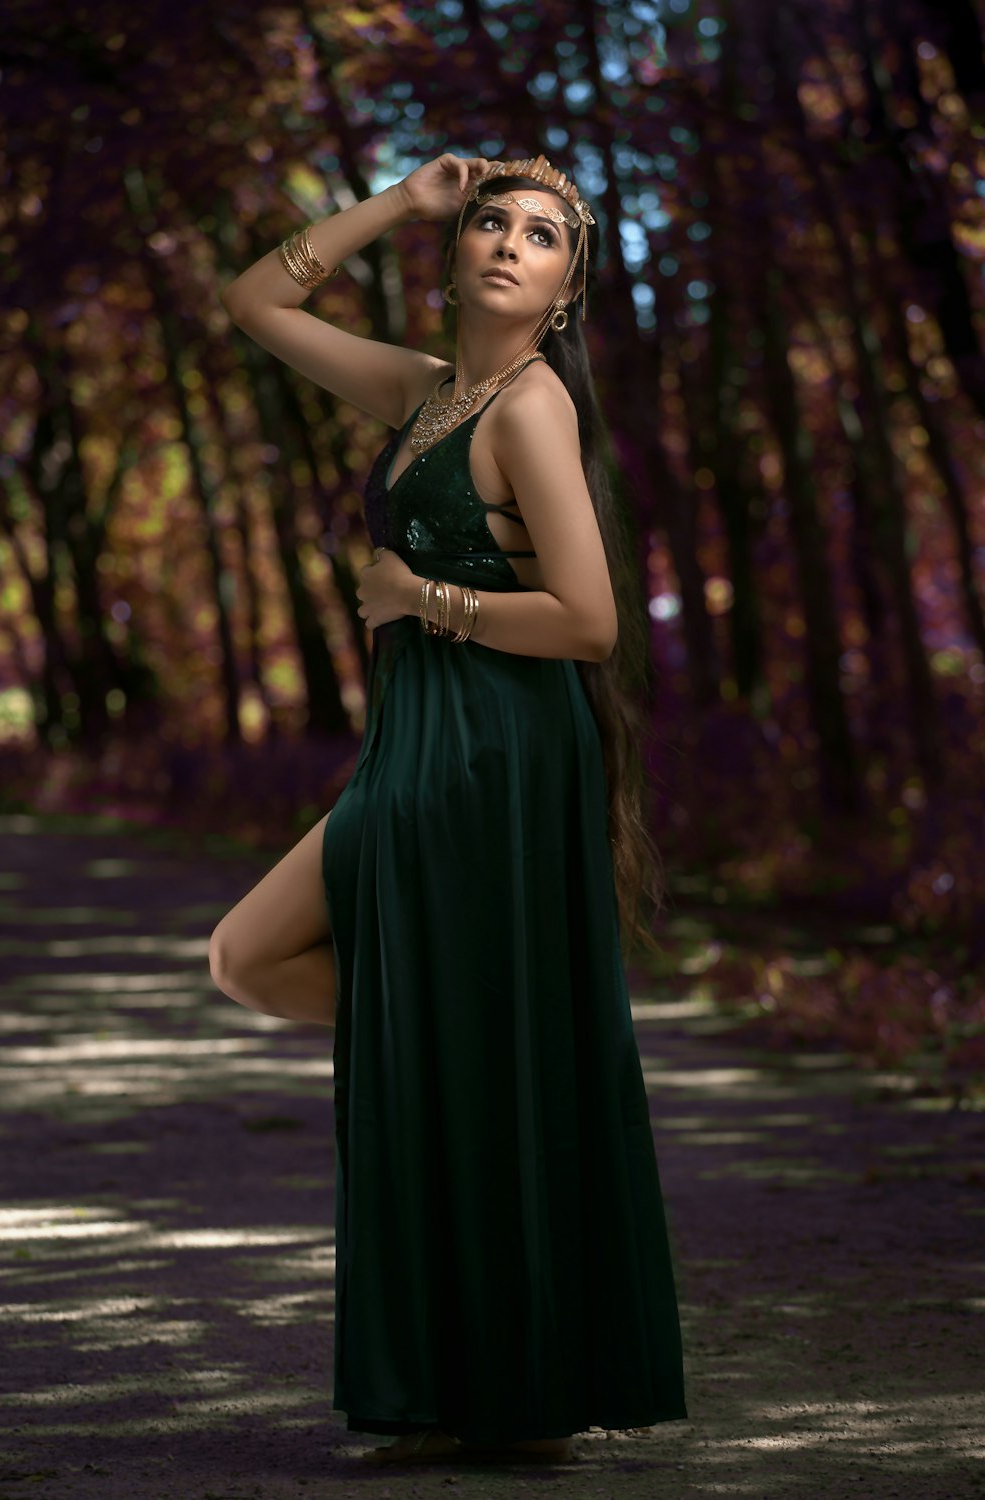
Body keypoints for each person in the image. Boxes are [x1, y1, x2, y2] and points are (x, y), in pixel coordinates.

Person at [209, 150, 687, 1467]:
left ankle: (500, 1362)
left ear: (569, 289)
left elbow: (589, 624)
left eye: (540, 236)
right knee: (248, 959)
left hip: (495, 747)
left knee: (268, 958)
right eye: (488, 221)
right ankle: (457, 1099)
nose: (506, 244)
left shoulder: (530, 409)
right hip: (421, 738)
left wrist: (430, 601)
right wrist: (400, 202)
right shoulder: (429, 395)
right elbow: (256, 303)